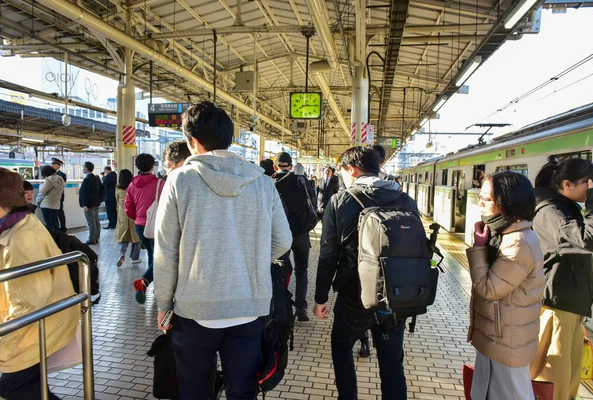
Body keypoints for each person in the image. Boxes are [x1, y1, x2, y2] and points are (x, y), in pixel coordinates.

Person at [154, 101, 292, 400]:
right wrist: (251, 261)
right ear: (229, 137)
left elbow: (166, 249)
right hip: (249, 308)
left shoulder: (180, 180)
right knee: (242, 392)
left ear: (193, 141)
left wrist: (164, 303)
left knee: (194, 390)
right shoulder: (262, 183)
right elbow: (283, 240)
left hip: (194, 308)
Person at [313, 146, 413, 400]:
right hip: (396, 296)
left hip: (354, 296)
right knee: (392, 365)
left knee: (342, 347)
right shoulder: (405, 200)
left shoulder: (340, 201)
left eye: (342, 173)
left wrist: (320, 298)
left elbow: (327, 256)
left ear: (351, 169)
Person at [0, 168, 79, 400]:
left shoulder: (22, 238)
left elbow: (29, 303)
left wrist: (4, 344)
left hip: (36, 326)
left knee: (11, 386)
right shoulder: (15, 226)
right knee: (29, 385)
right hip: (31, 324)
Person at [466, 171, 544, 400]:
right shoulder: (505, 234)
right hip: (498, 334)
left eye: (487, 199)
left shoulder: (518, 242)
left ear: (507, 202)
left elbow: (489, 289)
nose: (480, 202)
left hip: (507, 340)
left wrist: (479, 249)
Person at [530, 158, 593, 400]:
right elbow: (589, 240)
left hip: (569, 305)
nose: (592, 189)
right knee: (552, 379)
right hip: (556, 306)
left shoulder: (565, 208)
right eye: (589, 185)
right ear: (567, 185)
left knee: (567, 378)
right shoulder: (551, 212)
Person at [273, 152, 316, 322]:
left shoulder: (271, 183)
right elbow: (313, 203)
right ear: (290, 165)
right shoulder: (303, 182)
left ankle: (281, 307)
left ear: (276, 166)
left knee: (280, 270)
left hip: (279, 235)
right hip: (301, 234)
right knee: (302, 270)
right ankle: (301, 307)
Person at [125, 153, 165, 304]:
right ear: (153, 165)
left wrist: (139, 218)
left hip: (140, 225)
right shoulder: (160, 184)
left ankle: (153, 284)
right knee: (161, 258)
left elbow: (128, 207)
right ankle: (145, 282)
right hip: (156, 225)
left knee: (151, 253)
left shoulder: (131, 184)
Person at [115, 169, 142, 267]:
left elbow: (117, 201)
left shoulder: (118, 188)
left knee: (123, 237)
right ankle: (135, 258)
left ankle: (122, 254)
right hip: (134, 214)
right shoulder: (134, 187)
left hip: (122, 214)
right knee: (136, 237)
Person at [79, 161, 102, 245]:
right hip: (96, 203)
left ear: (86, 168)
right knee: (96, 221)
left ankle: (92, 239)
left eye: (84, 167)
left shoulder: (87, 179)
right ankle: (97, 237)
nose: (83, 169)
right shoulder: (97, 178)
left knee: (91, 222)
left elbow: (85, 193)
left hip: (89, 204)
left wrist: (84, 204)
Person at [38, 164, 65, 231]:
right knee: (55, 223)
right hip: (56, 204)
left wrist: (41, 185)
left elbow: (42, 191)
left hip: (47, 204)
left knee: (49, 224)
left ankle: (52, 239)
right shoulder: (60, 178)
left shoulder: (49, 180)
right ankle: (58, 238)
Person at [52, 158, 67, 232]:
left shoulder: (62, 175)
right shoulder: (50, 174)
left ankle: (63, 228)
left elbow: (61, 185)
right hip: (53, 197)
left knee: (60, 213)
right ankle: (56, 228)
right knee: (54, 213)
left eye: (54, 164)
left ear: (58, 165)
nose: (53, 166)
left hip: (60, 196)